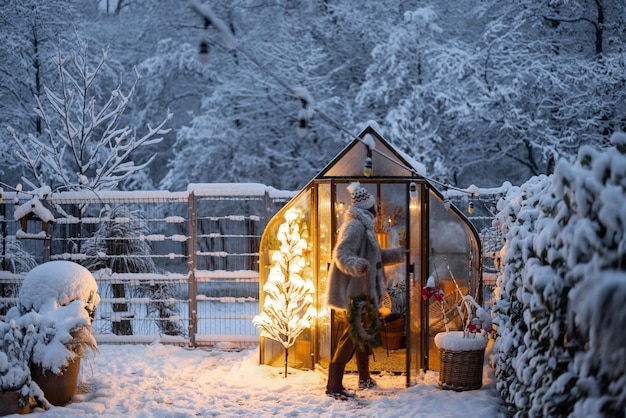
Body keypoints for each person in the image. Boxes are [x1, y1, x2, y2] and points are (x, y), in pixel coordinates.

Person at [325, 182, 405, 400]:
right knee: (351, 337)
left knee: (361, 335)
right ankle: (333, 386)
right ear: (368, 210)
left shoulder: (365, 228)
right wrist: (357, 264)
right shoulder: (354, 227)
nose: (378, 214)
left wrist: (401, 253)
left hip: (364, 292)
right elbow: (341, 254)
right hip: (354, 293)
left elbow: (379, 258)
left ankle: (364, 378)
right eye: (375, 210)